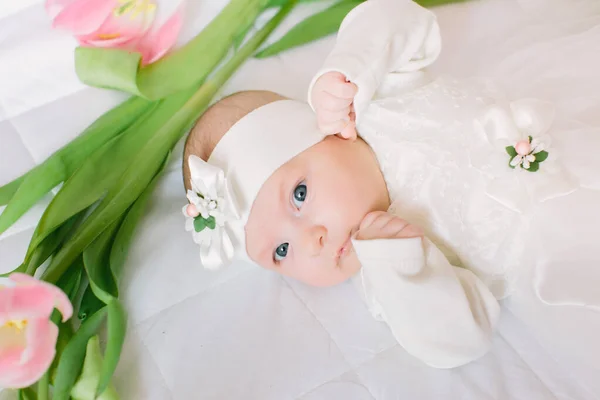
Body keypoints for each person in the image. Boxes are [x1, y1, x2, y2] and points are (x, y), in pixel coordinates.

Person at [181, 0, 600, 368]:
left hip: (571, 123)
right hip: (567, 243)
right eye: (281, 251)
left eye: (299, 195)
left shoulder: (381, 101)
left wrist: (349, 71)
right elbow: (460, 341)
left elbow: (400, 19)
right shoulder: (382, 273)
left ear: (324, 133)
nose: (313, 241)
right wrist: (406, 271)